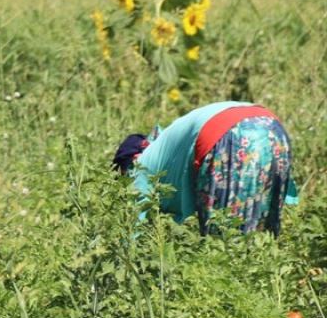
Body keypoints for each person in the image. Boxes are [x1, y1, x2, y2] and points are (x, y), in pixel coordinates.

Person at [114, 100, 299, 235]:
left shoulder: (140, 167)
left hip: (230, 137)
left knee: (224, 242)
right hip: (273, 127)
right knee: (264, 236)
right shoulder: (166, 143)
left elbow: (130, 234)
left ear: (129, 163)